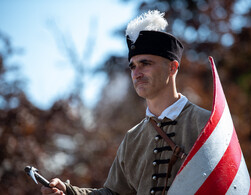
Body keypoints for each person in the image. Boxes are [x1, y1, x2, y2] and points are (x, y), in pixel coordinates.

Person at [41, 10, 210, 195]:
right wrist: (70, 192)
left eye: (146, 63)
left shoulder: (206, 124)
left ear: (172, 67)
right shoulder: (133, 137)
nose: (137, 73)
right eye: (133, 66)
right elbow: (114, 193)